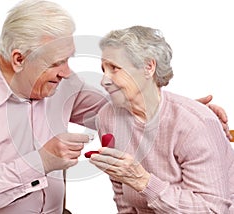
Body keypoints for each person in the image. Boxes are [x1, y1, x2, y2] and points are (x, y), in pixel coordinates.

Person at [0, 0, 230, 213]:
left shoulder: (61, 82)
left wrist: (183, 110)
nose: (66, 72)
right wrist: (42, 161)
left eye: (69, 58)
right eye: (56, 62)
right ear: (19, 59)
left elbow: (120, 108)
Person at [89, 25, 234, 213]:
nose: (104, 80)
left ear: (148, 67)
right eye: (103, 70)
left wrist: (142, 181)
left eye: (115, 68)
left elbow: (213, 210)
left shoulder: (193, 124)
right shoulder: (108, 117)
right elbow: (123, 197)